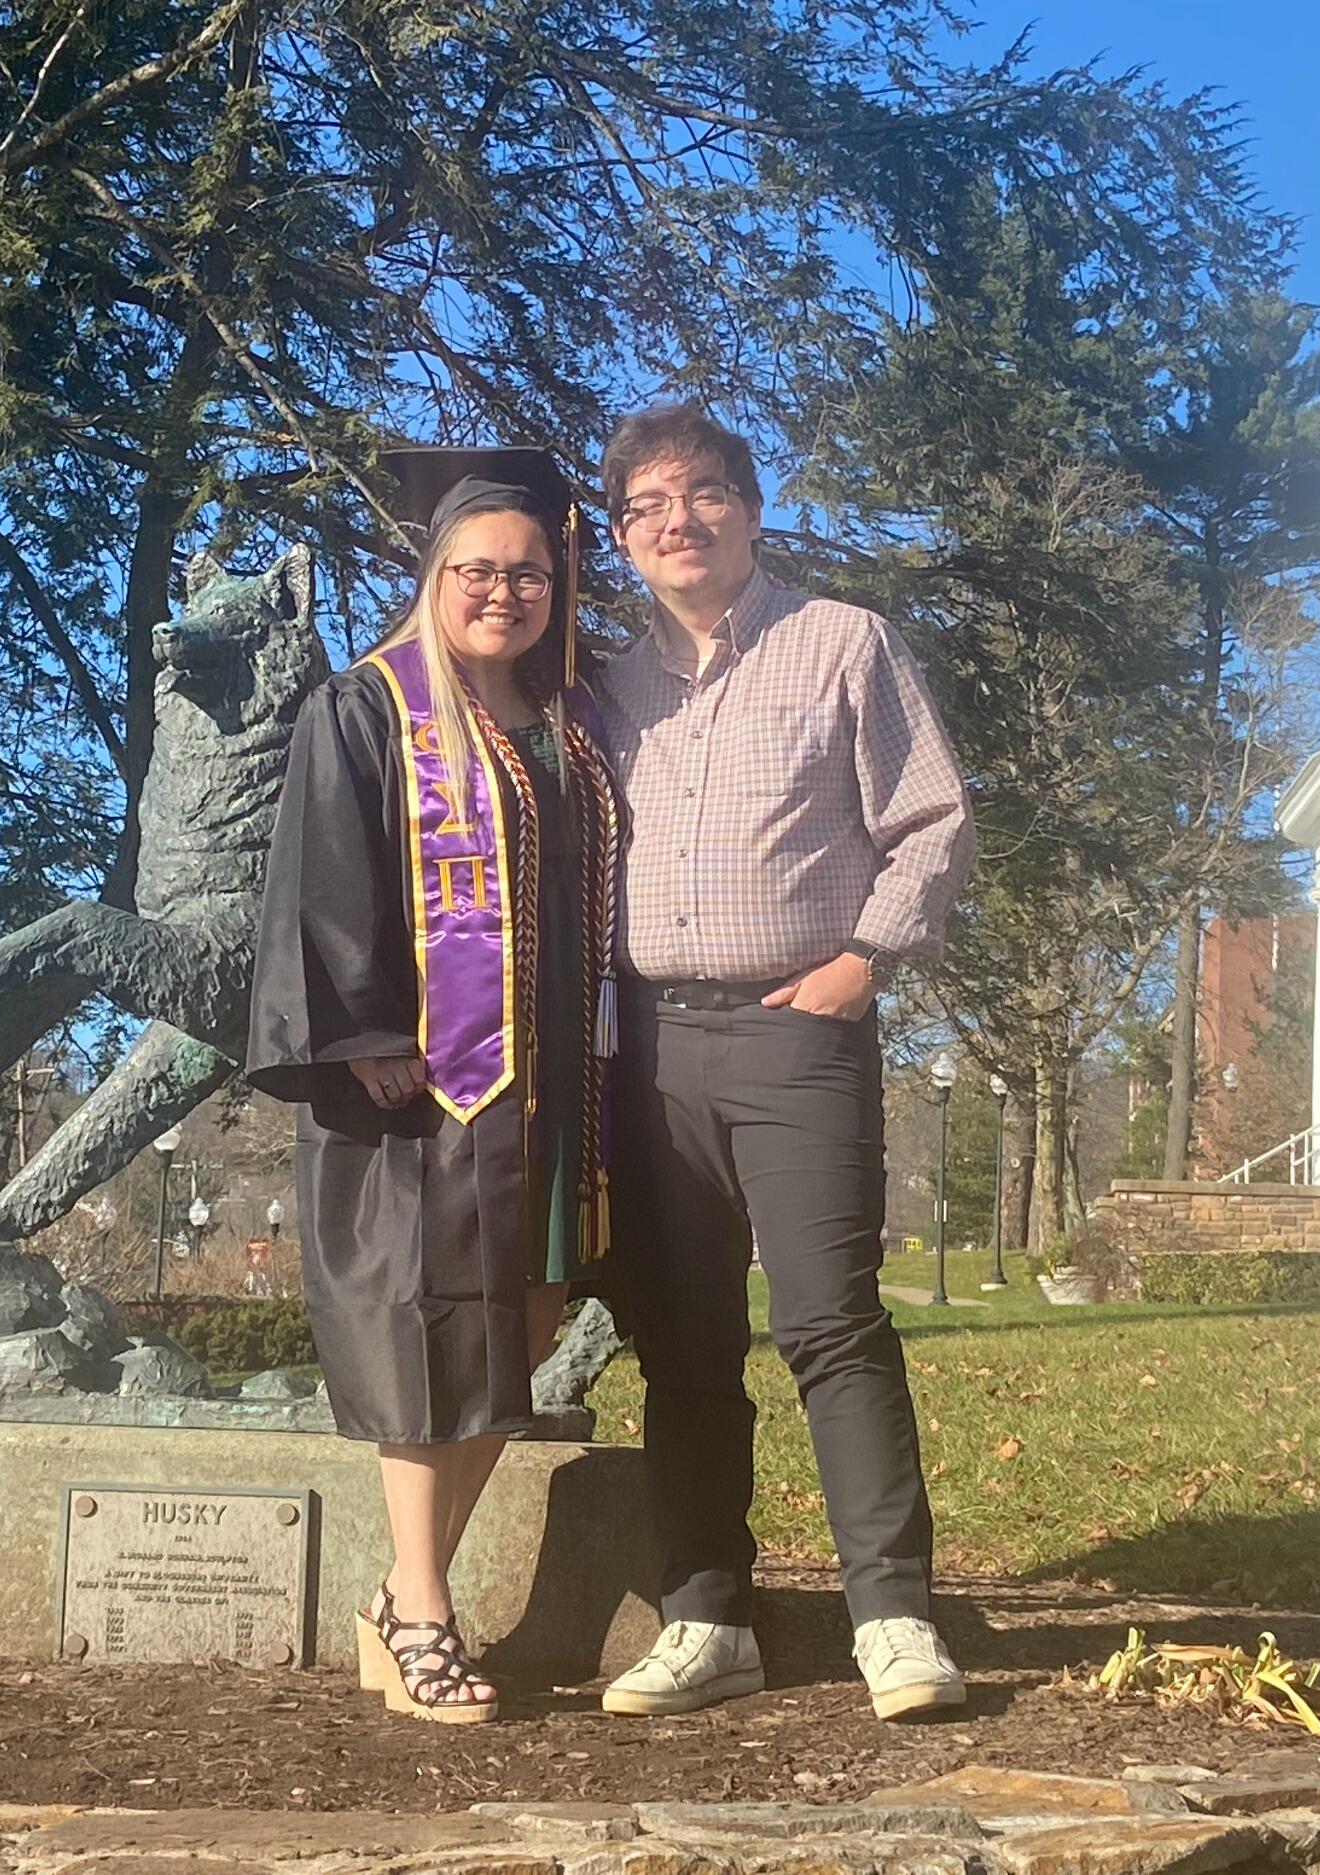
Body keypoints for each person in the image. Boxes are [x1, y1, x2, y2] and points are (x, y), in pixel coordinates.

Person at [591, 406, 977, 1723]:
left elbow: (932, 818)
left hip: (796, 1033)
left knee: (829, 1321)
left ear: (751, 511)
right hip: (650, 1049)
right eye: (647, 504)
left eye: (703, 492)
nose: (678, 520)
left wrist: (865, 958)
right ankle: (707, 1620)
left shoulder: (843, 644)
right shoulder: (607, 692)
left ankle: (894, 1618)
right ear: (623, 536)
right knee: (684, 1341)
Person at [245, 447, 620, 1724]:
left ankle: (402, 1597)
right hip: (428, 1086)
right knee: (429, 1335)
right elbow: (322, 874)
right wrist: (362, 1032)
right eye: (478, 569)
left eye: (529, 572)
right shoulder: (366, 709)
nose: (504, 591)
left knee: (523, 1330)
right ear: (433, 574)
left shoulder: (569, 720)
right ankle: (421, 1610)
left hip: (552, 1086)